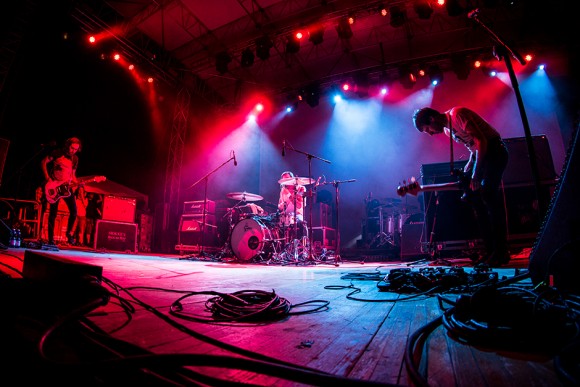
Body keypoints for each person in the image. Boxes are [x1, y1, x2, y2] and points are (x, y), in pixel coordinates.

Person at [412, 107, 510, 267]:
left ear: (431, 119)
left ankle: (501, 251)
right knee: (477, 203)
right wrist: (470, 165)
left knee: (489, 196)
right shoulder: (447, 130)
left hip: (494, 152)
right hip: (483, 156)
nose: (430, 133)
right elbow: (473, 146)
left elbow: (482, 141)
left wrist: (476, 174)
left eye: (428, 130)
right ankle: (490, 251)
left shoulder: (458, 115)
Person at [41, 137, 82, 246]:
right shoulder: (57, 153)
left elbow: (73, 175)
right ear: (67, 145)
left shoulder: (75, 159)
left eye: (76, 149)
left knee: (74, 212)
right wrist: (47, 178)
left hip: (66, 188)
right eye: (72, 147)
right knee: (53, 214)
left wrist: (78, 183)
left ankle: (69, 233)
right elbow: (43, 162)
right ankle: (50, 240)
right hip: (54, 187)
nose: (73, 150)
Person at [278, 171, 307, 241]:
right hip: (286, 216)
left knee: (301, 223)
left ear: (292, 179)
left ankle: (303, 245)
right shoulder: (283, 190)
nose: (285, 181)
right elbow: (279, 206)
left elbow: (299, 206)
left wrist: (288, 195)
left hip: (297, 215)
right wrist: (283, 204)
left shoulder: (301, 188)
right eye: (284, 179)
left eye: (287, 178)